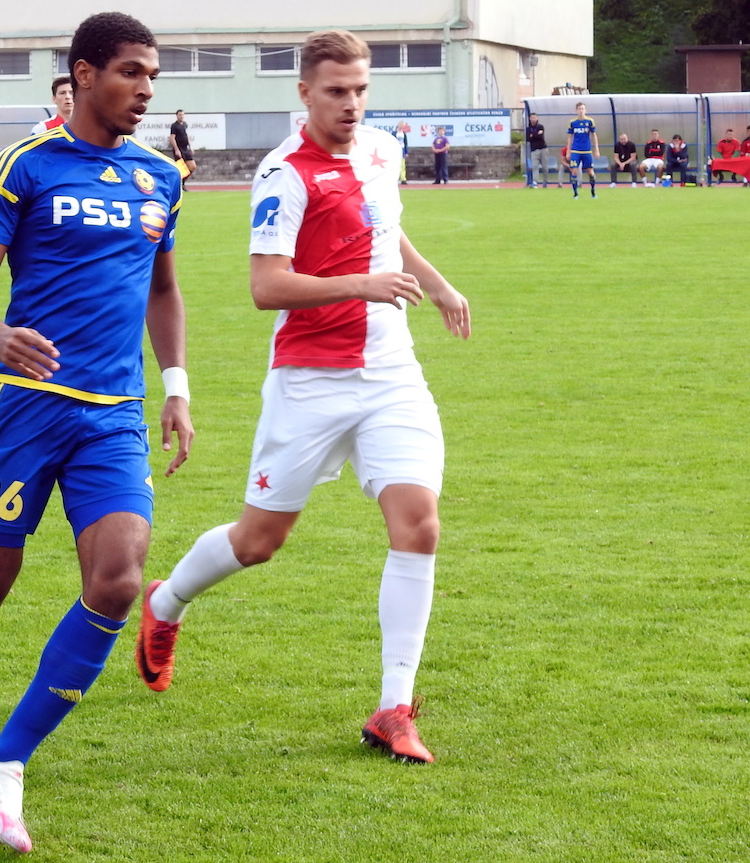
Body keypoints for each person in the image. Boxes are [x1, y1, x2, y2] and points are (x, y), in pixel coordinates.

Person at [0, 12, 191, 854]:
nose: (146, 90)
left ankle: (5, 761)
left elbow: (164, 290)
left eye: (154, 76)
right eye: (132, 72)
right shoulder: (24, 164)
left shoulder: (161, 178)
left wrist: (176, 386)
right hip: (23, 406)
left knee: (121, 576)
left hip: (113, 413)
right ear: (85, 74)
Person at [133, 29, 470, 767]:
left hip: (391, 375)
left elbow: (389, 233)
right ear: (304, 94)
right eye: (336, 92)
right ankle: (165, 602)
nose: (351, 105)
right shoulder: (283, 172)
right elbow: (266, 286)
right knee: (259, 542)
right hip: (310, 380)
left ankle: (394, 707)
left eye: (361, 90)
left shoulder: (382, 150)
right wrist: (360, 284)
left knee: (419, 525)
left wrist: (438, 285)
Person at [565, 102, 599, 198]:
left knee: (590, 171)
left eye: (583, 108)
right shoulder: (573, 123)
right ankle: (575, 194)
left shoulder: (590, 121)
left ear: (585, 110)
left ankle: (593, 191)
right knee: (574, 171)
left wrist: (596, 149)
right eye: (579, 109)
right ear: (576, 110)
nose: (581, 110)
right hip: (576, 150)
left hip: (587, 150)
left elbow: (593, 135)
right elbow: (570, 137)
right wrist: (568, 151)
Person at [169, 109, 197, 188]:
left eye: (182, 115)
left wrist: (190, 146)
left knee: (192, 166)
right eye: (180, 115)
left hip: (185, 148)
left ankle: (182, 182)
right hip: (179, 149)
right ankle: (177, 185)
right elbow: (172, 138)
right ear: (177, 116)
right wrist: (176, 149)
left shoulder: (184, 124)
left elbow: (186, 135)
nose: (181, 116)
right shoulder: (174, 126)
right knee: (180, 169)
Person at [526, 111, 552, 188]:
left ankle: (545, 182)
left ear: (537, 118)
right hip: (534, 150)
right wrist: (535, 135)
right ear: (529, 119)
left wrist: (532, 136)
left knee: (545, 167)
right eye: (531, 118)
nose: (533, 119)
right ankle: (535, 182)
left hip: (543, 149)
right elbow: (528, 139)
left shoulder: (540, 126)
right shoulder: (528, 129)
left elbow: (540, 137)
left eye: (534, 117)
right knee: (535, 166)